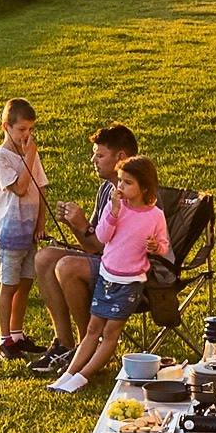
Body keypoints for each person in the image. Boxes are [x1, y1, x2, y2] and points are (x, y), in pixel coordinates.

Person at [49, 153, 172, 394]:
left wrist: (155, 247)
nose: (120, 187)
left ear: (144, 187)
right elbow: (102, 237)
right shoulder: (115, 207)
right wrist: (113, 212)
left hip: (130, 283)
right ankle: (68, 374)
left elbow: (164, 246)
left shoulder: (155, 216)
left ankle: (82, 377)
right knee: (92, 329)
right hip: (106, 277)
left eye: (128, 182)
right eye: (120, 181)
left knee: (109, 333)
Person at [27, 122, 135, 369]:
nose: (93, 160)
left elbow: (110, 249)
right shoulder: (106, 189)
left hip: (126, 271)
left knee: (67, 266)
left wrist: (83, 224)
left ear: (120, 157)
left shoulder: (134, 193)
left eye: (100, 155)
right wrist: (75, 225)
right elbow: (92, 246)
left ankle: (88, 345)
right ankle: (64, 344)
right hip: (105, 261)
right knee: (44, 257)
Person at [0, 98, 48, 359]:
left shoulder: (30, 154)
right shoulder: (1, 158)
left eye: (31, 129)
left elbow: (40, 188)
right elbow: (21, 188)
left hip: (29, 231)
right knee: (9, 285)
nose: (27, 135)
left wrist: (41, 223)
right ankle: (4, 341)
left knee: (25, 284)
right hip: (10, 232)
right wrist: (29, 155)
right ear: (6, 127)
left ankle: (17, 334)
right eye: (22, 129)